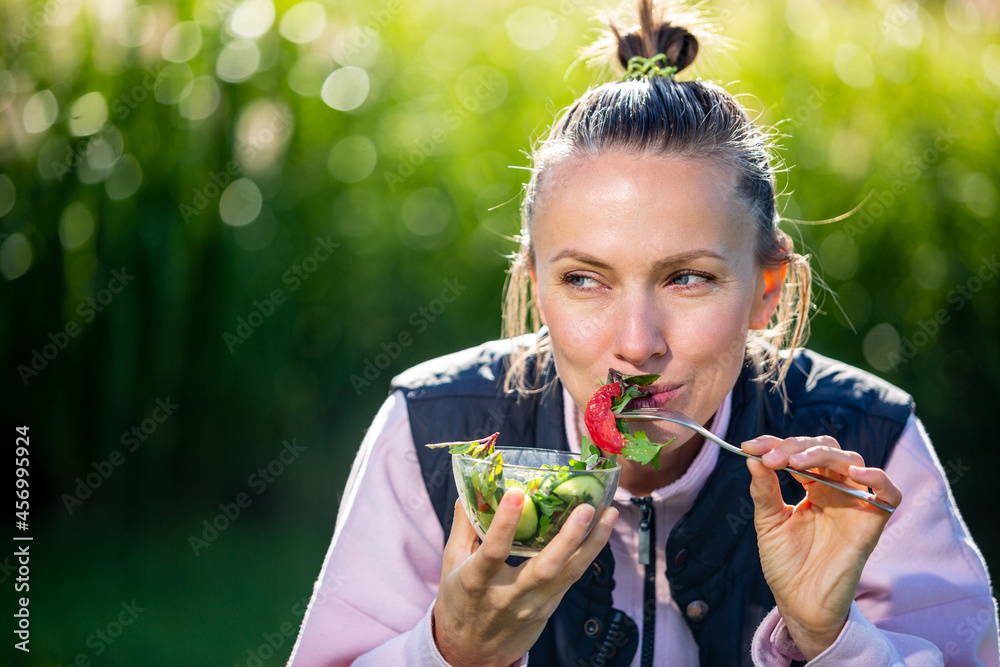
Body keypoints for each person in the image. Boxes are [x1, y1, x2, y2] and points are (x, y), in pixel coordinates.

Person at [288, 2, 999, 665]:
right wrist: (449, 651)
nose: (636, 343)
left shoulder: (867, 444)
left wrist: (831, 639)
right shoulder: (433, 430)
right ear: (537, 287)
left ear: (767, 290)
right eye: (585, 279)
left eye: (688, 278)